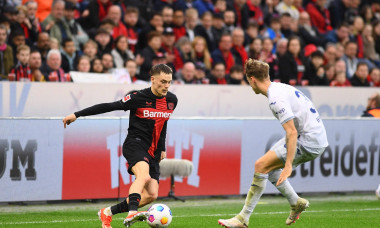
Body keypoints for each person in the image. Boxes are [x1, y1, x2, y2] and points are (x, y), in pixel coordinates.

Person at [62, 64, 178, 228]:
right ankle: (132, 213)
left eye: (169, 82)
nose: (166, 86)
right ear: (153, 79)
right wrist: (76, 114)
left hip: (153, 151)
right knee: (143, 176)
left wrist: (162, 147)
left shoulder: (172, 100)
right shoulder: (138, 98)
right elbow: (109, 106)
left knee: (151, 195)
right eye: (163, 81)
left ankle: (107, 212)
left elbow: (163, 123)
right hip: (135, 144)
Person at [218, 59, 328, 228]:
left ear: (252, 79)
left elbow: (291, 131)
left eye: (249, 81)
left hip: (308, 140)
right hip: (312, 135)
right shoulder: (279, 87)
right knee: (268, 167)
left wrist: (289, 165)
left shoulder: (275, 100)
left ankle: (243, 219)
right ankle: (295, 202)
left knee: (261, 165)